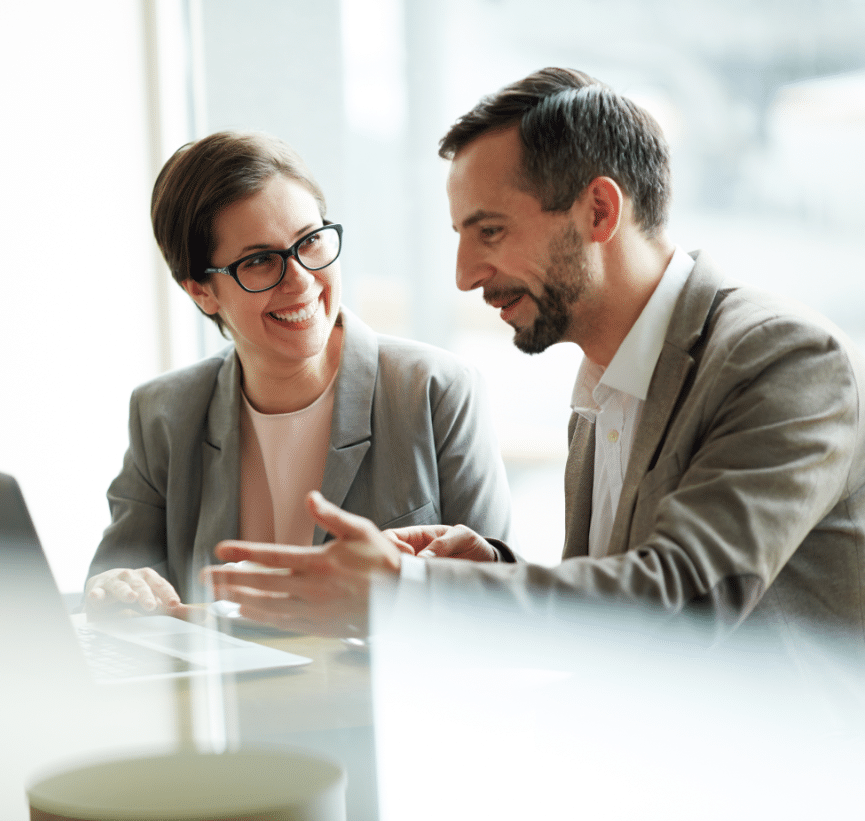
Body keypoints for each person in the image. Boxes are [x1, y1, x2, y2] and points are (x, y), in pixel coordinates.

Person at [209, 68, 865, 651]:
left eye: (489, 231)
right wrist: (491, 571)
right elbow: (612, 609)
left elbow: (686, 601)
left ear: (599, 211)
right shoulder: (604, 382)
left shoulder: (783, 357)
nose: (465, 275)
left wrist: (411, 592)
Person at [85, 130, 514, 615]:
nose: (302, 280)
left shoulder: (435, 390)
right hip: (226, 688)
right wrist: (119, 589)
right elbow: (113, 583)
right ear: (201, 292)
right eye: (261, 261)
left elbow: (499, 600)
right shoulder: (162, 413)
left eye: (309, 241)